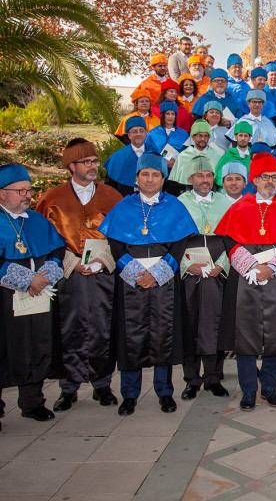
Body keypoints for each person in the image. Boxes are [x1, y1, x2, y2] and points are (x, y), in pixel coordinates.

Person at [98, 153, 198, 416]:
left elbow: (179, 245)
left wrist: (158, 273)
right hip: (131, 280)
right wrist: (133, 271)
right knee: (131, 337)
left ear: (163, 179)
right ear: (137, 178)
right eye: (145, 174)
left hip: (164, 280)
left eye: (155, 175)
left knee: (163, 336)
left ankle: (164, 392)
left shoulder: (174, 206)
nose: (150, 179)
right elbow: (116, 245)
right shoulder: (123, 206)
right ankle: (129, 394)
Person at [36, 140, 123, 411]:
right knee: (68, 328)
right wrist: (71, 262)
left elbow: (121, 236)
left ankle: (102, 385)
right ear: (71, 166)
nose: (93, 166)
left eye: (95, 161)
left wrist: (103, 260)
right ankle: (68, 388)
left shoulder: (111, 195)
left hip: (103, 273)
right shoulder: (52, 198)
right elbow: (45, 239)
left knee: (102, 327)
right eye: (86, 162)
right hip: (68, 274)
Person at [214, 153, 276, 410]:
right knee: (246, 336)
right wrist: (252, 266)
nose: (271, 182)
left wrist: (273, 267)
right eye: (265, 177)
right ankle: (249, 389)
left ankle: (270, 385)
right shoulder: (240, 207)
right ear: (254, 179)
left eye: (275, 177)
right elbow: (229, 240)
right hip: (245, 278)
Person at [0, 164, 65, 422]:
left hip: (38, 296)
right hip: (4, 299)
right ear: (2, 193)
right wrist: (27, 279)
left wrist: (46, 273)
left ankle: (33, 403)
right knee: (5, 347)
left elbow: (57, 250)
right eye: (20, 191)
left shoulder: (37, 220)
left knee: (36, 344)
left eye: (28, 190)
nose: (27, 195)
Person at [176, 156, 233, 401]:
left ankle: (213, 377)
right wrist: (188, 265)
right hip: (190, 271)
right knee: (189, 325)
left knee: (215, 324)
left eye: (209, 176)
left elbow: (232, 239)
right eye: (200, 176)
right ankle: (191, 380)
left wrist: (222, 265)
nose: (205, 180)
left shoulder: (224, 203)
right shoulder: (179, 203)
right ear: (190, 179)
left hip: (218, 271)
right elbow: (173, 241)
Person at [168, 120, 223, 193]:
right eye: (199, 136)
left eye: (205, 136)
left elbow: (218, 183)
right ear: (193, 137)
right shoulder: (183, 156)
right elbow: (175, 185)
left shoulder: (216, 156)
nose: (203, 139)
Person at [103, 116, 148, 196]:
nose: (138, 134)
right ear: (129, 135)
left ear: (145, 133)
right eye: (134, 131)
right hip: (125, 200)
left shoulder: (155, 154)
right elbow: (110, 188)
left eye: (141, 131)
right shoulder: (117, 158)